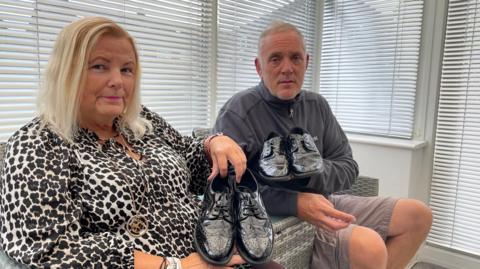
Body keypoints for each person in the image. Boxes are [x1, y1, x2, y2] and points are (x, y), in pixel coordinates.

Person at [0, 16, 283, 269]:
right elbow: (48, 251)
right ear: (66, 72)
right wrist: (174, 266)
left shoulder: (139, 121)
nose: (117, 81)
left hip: (215, 250)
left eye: (127, 70)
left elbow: (192, 163)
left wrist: (213, 144)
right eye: (99, 67)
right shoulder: (37, 145)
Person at [214, 20, 433, 269]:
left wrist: (312, 173)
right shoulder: (239, 111)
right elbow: (225, 189)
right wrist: (294, 201)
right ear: (258, 66)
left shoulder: (317, 105)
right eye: (275, 59)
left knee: (418, 216)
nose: (287, 68)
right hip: (277, 219)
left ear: (306, 62)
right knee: (369, 246)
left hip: (326, 200)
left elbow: (348, 167)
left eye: (295, 58)